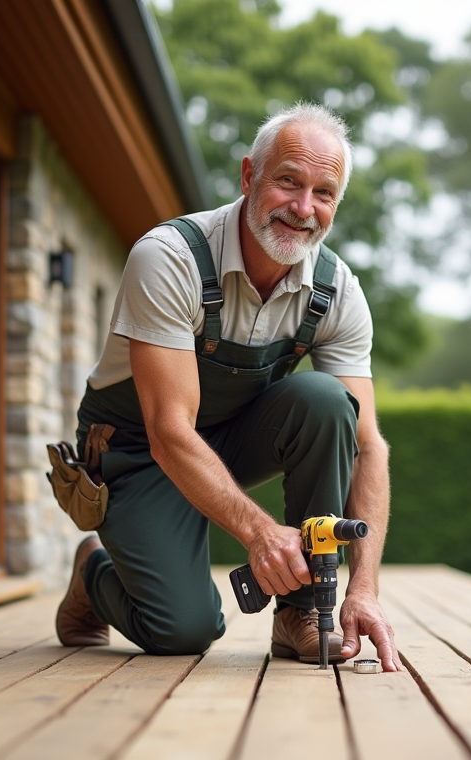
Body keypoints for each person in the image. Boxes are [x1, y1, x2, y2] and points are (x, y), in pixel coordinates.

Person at [54, 101, 399, 671]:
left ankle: (299, 610)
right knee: (183, 630)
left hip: (226, 440)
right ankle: (93, 572)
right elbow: (169, 433)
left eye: (324, 193)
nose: (303, 208)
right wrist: (263, 534)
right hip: (139, 450)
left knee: (325, 402)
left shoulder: (336, 290)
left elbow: (366, 445)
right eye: (288, 182)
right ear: (248, 176)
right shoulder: (170, 258)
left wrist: (363, 589)